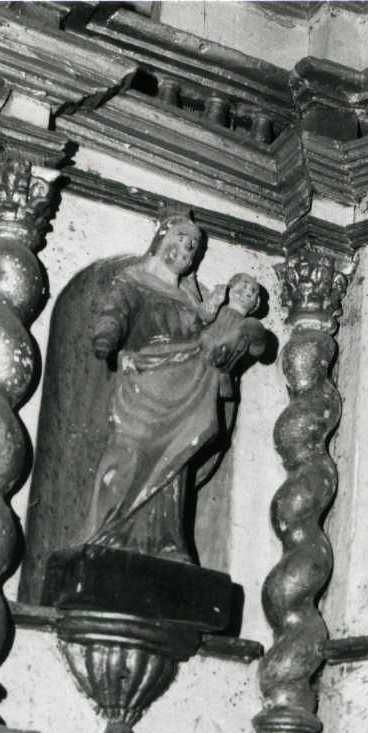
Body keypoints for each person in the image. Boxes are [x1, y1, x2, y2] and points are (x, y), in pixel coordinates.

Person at [81, 214, 234, 561]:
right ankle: (106, 533)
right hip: (144, 380)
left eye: (193, 245)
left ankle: (164, 544)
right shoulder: (134, 280)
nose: (187, 249)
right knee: (129, 452)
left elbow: (200, 337)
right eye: (181, 238)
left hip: (184, 382)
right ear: (161, 238)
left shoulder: (187, 299)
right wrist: (107, 337)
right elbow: (115, 312)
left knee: (174, 466)